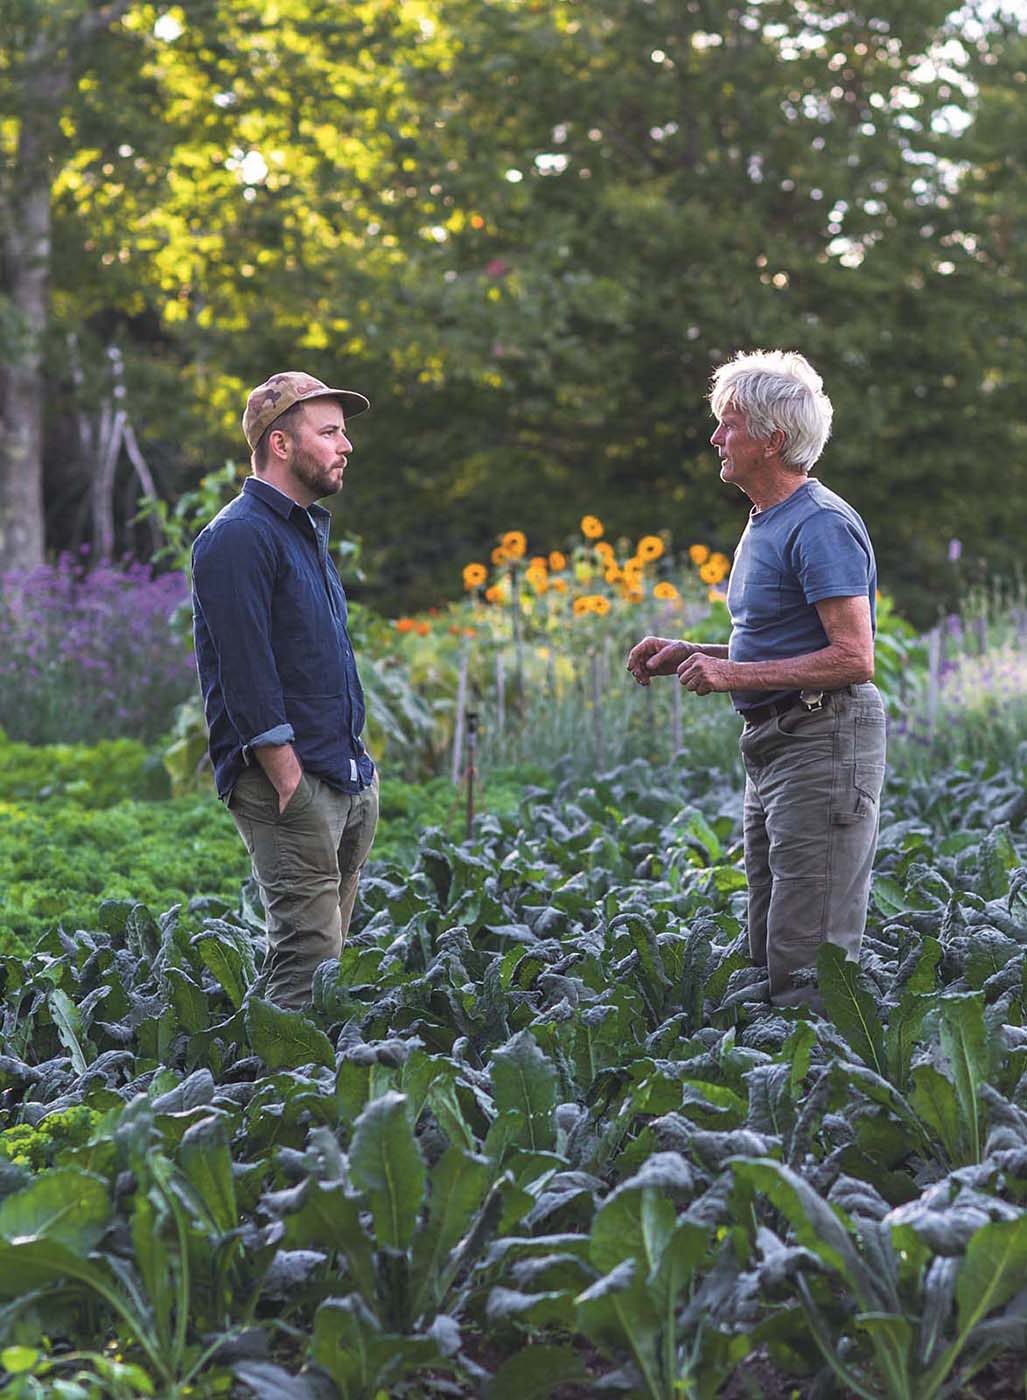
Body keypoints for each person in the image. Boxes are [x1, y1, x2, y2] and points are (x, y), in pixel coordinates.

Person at [627, 350, 885, 1009]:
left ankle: (827, 1098)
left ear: (771, 439)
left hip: (820, 739)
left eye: (728, 424)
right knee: (769, 942)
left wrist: (731, 671)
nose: (716, 437)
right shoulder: (765, 519)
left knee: (809, 967)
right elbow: (778, 640)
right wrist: (694, 651)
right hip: (775, 743)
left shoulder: (820, 523)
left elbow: (853, 657)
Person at [191, 372, 379, 1011]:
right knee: (309, 955)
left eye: (343, 432)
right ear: (279, 443)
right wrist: (288, 778)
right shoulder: (238, 535)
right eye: (328, 433)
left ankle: (263, 1080)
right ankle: (280, 1102)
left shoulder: (302, 529)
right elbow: (246, 670)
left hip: (341, 772)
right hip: (289, 784)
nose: (345, 445)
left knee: (318, 960)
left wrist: (356, 772)